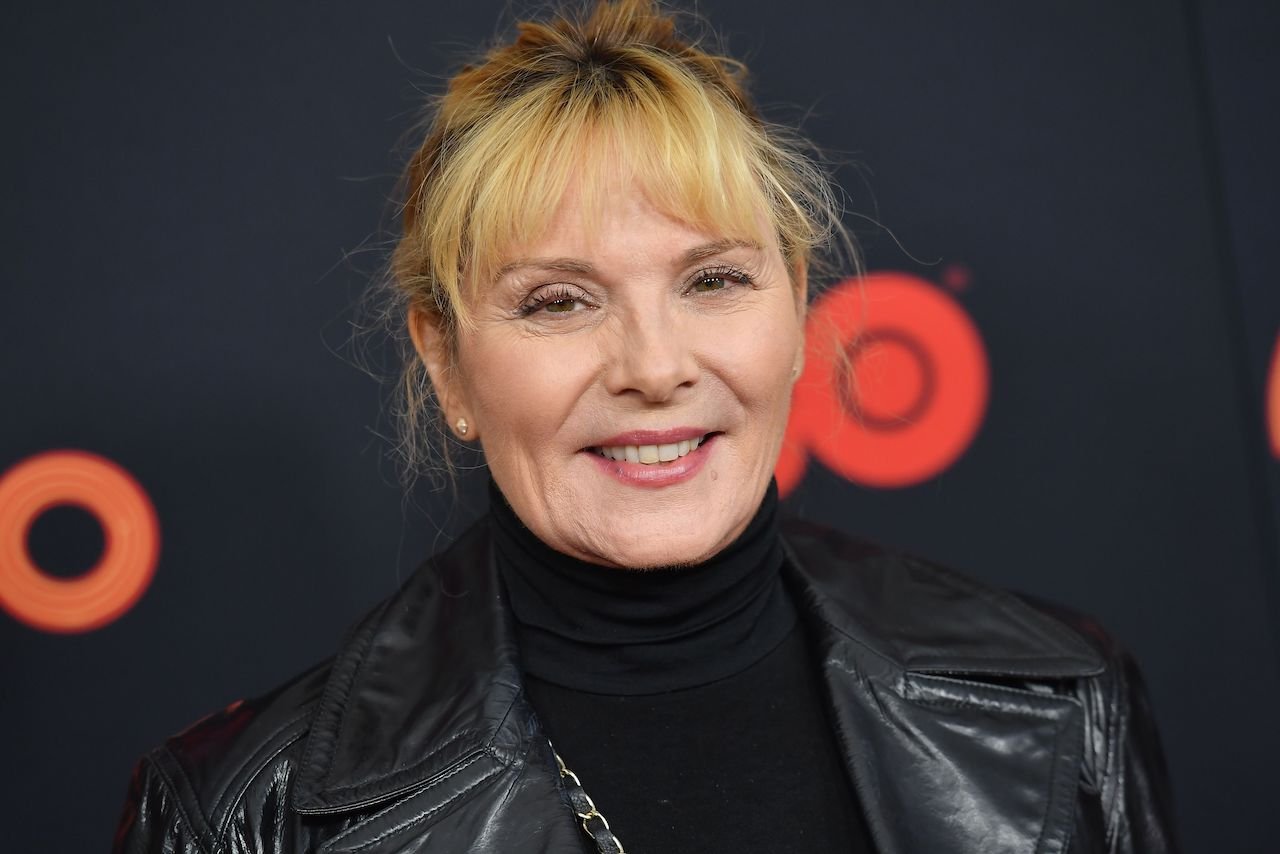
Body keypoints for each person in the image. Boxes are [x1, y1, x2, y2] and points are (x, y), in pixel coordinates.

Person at [112, 1, 1180, 851]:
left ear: (796, 308)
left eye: (712, 279)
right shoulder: (241, 818)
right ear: (445, 361)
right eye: (558, 299)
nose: (657, 367)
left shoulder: (1061, 696)